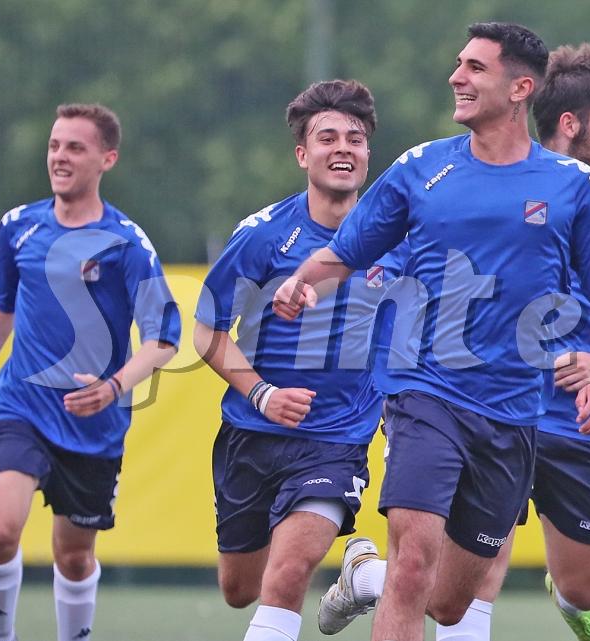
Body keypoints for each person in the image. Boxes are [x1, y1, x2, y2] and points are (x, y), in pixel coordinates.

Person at [272, 22, 590, 641]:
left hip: (513, 413)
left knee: (448, 602)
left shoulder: (575, 187)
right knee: (414, 563)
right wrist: (301, 282)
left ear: (520, 89)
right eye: (459, 64)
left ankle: (365, 578)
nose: (456, 77)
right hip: (425, 393)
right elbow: (345, 253)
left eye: (474, 68)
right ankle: (388, 577)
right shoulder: (421, 168)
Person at [432, 42, 590, 641]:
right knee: (475, 574)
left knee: (585, 587)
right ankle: (385, 579)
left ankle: (569, 600)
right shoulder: (493, 193)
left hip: (581, 422)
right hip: (495, 412)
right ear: (570, 123)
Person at [0, 103, 181, 641]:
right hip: (19, 407)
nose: (59, 157)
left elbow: (163, 339)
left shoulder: (127, 243)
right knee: (0, 531)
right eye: (54, 146)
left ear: (107, 159)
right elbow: (3, 309)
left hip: (92, 424)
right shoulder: (18, 227)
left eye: (75, 148)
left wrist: (114, 387)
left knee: (74, 557)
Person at [193, 80, 405, 641]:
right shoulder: (263, 236)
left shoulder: (398, 240)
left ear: (368, 154)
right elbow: (206, 332)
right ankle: (355, 576)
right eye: (327, 138)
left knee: (287, 576)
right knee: (241, 589)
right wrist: (261, 393)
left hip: (338, 437)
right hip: (251, 434)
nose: (343, 148)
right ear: (302, 154)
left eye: (354, 139)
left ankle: (350, 568)